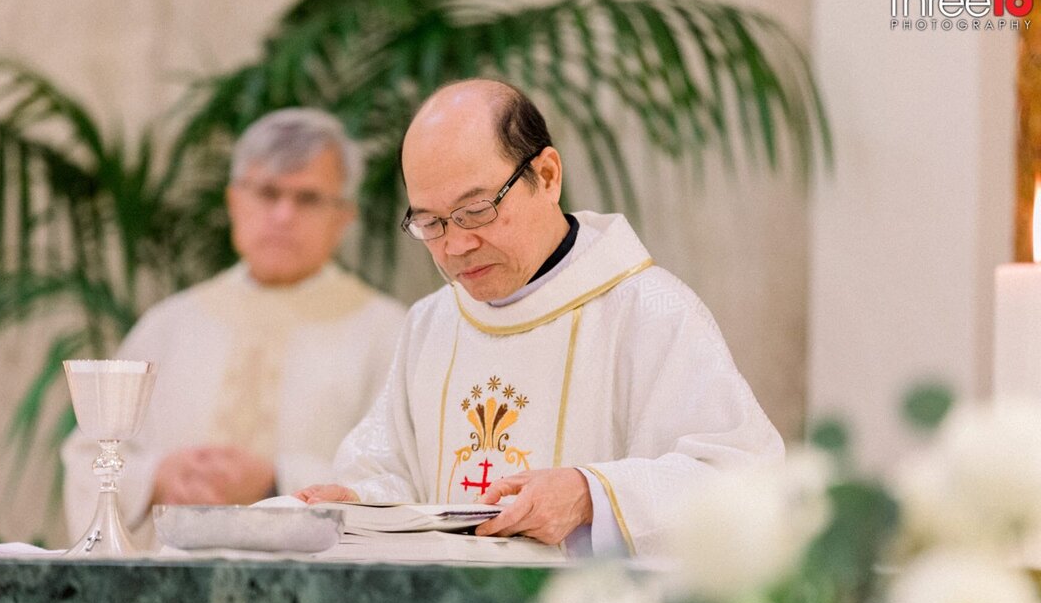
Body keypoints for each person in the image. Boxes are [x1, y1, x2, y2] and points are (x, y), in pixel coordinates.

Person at [295, 80, 784, 557]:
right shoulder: (431, 324)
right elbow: (387, 465)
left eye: (476, 210)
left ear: (547, 176)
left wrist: (591, 495)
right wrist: (358, 502)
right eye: (431, 223)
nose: (455, 245)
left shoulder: (649, 312)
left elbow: (742, 475)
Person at [62, 108, 406, 545]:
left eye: (307, 198)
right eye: (267, 192)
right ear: (234, 202)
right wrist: (157, 479)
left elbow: (400, 477)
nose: (283, 215)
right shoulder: (170, 325)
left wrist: (278, 481)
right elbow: (89, 451)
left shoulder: (387, 333)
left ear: (344, 217)